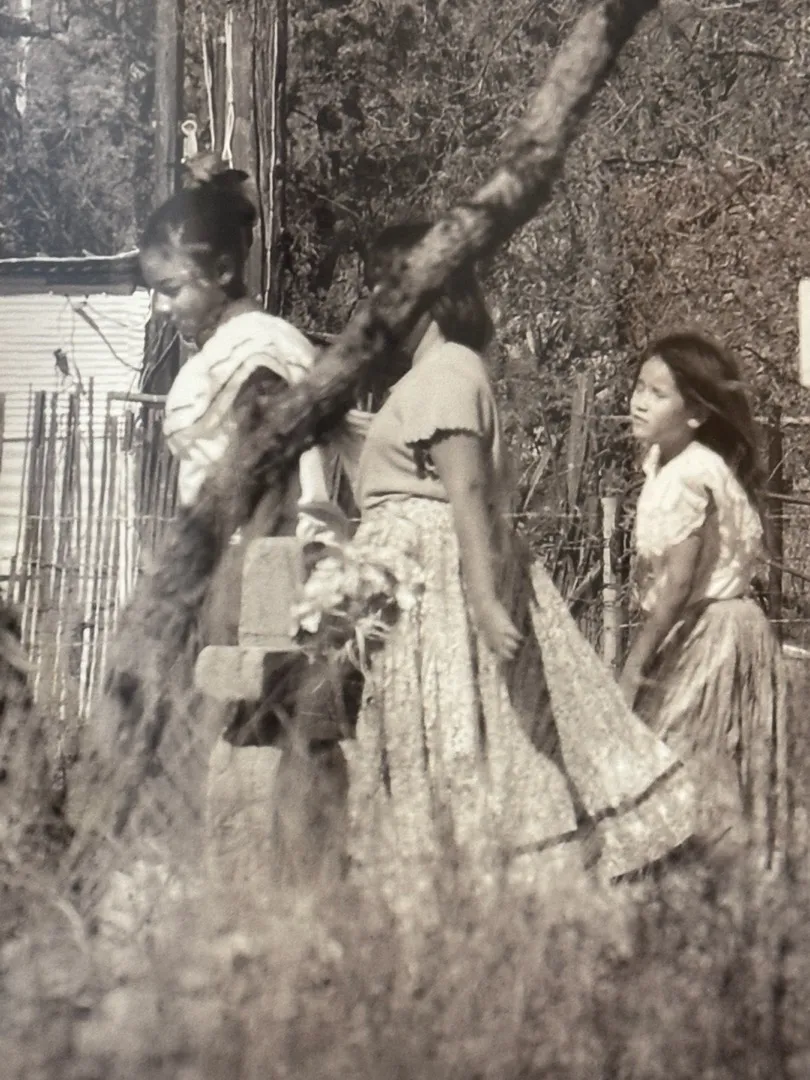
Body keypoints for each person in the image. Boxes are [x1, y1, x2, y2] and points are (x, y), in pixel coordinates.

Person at [294, 220, 697, 934]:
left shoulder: (450, 371)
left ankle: (481, 899)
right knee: (440, 734)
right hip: (416, 582)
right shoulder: (427, 377)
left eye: (388, 291)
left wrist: (482, 598)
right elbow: (408, 472)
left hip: (443, 583)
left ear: (428, 294)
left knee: (467, 731)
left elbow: (467, 490)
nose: (376, 308)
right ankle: (448, 901)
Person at [137, 162, 358, 900]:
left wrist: (245, 578)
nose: (165, 306)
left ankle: (300, 903)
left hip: (268, 564)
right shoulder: (230, 348)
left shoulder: (258, 346)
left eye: (174, 289)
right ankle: (271, 902)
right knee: (250, 743)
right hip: (237, 564)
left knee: (279, 738)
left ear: (224, 272)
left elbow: (270, 470)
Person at [621, 329, 788, 870]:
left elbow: (677, 586)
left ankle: (713, 885)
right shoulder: (672, 464)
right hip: (721, 625)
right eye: (639, 387)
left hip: (712, 633)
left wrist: (635, 665)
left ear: (695, 413)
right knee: (699, 764)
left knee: (686, 764)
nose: (640, 401)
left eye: (658, 394)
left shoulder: (689, 475)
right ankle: (712, 887)